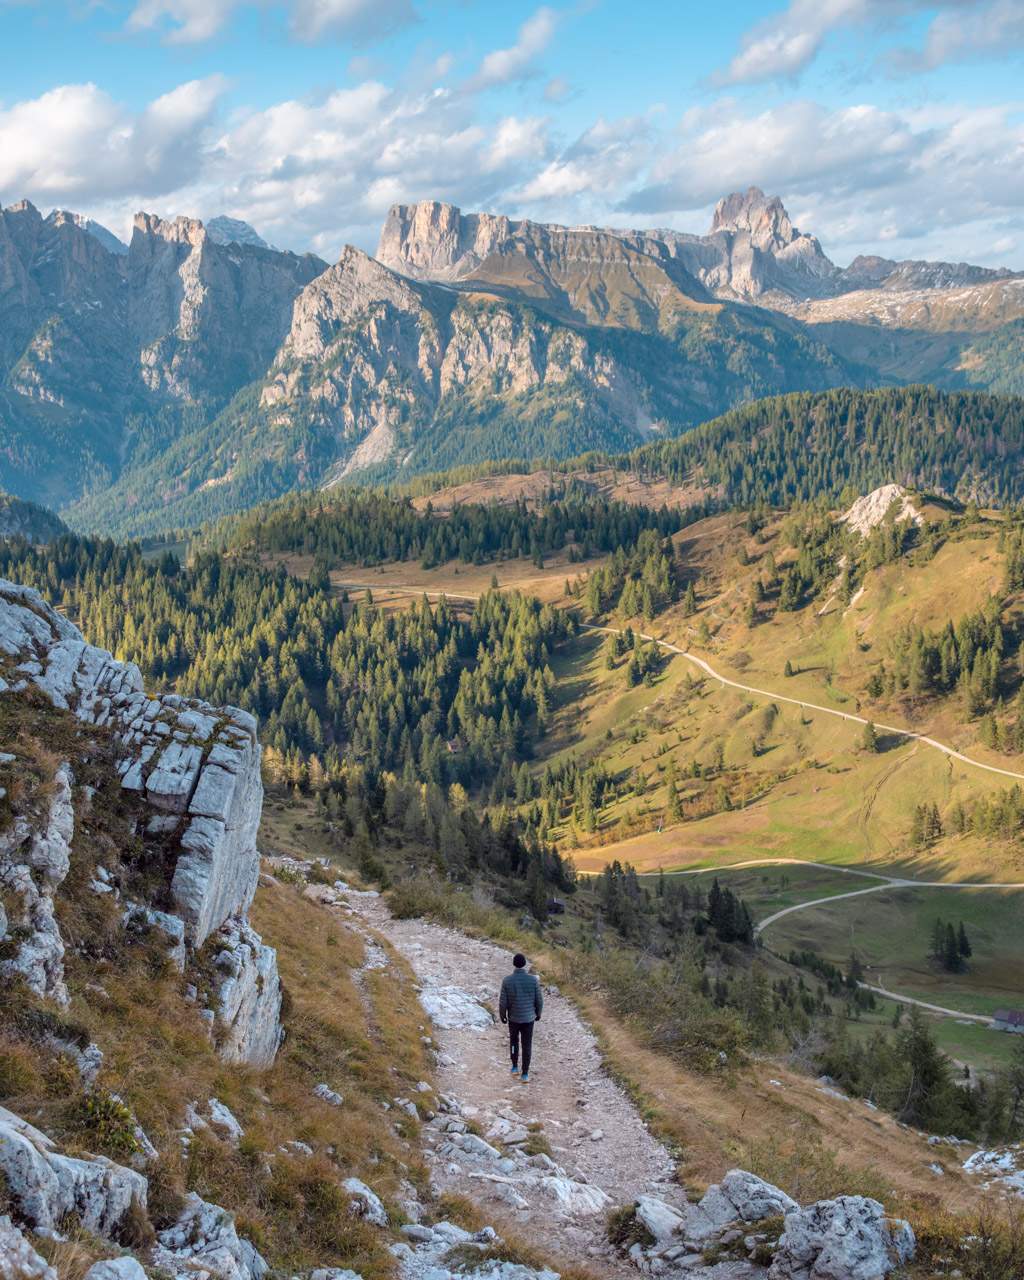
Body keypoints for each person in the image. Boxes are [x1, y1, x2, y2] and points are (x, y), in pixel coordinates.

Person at [499, 952, 543, 1082]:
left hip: (513, 1018)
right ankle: (525, 1074)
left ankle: (514, 1067)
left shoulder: (507, 981)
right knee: (527, 1045)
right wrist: (538, 1013)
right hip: (529, 1019)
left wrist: (503, 1016)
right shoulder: (533, 980)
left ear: (514, 964)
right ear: (524, 964)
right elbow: (539, 1000)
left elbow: (503, 1002)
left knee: (514, 1042)